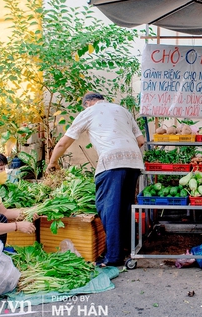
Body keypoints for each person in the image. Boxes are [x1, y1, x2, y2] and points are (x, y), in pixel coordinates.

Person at [47, 92, 145, 267]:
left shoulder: (89, 112)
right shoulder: (122, 110)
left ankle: (114, 257)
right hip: (134, 161)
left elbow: (64, 143)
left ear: (88, 103)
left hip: (112, 162)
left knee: (108, 208)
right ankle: (128, 249)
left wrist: (52, 162)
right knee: (124, 207)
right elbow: (141, 140)